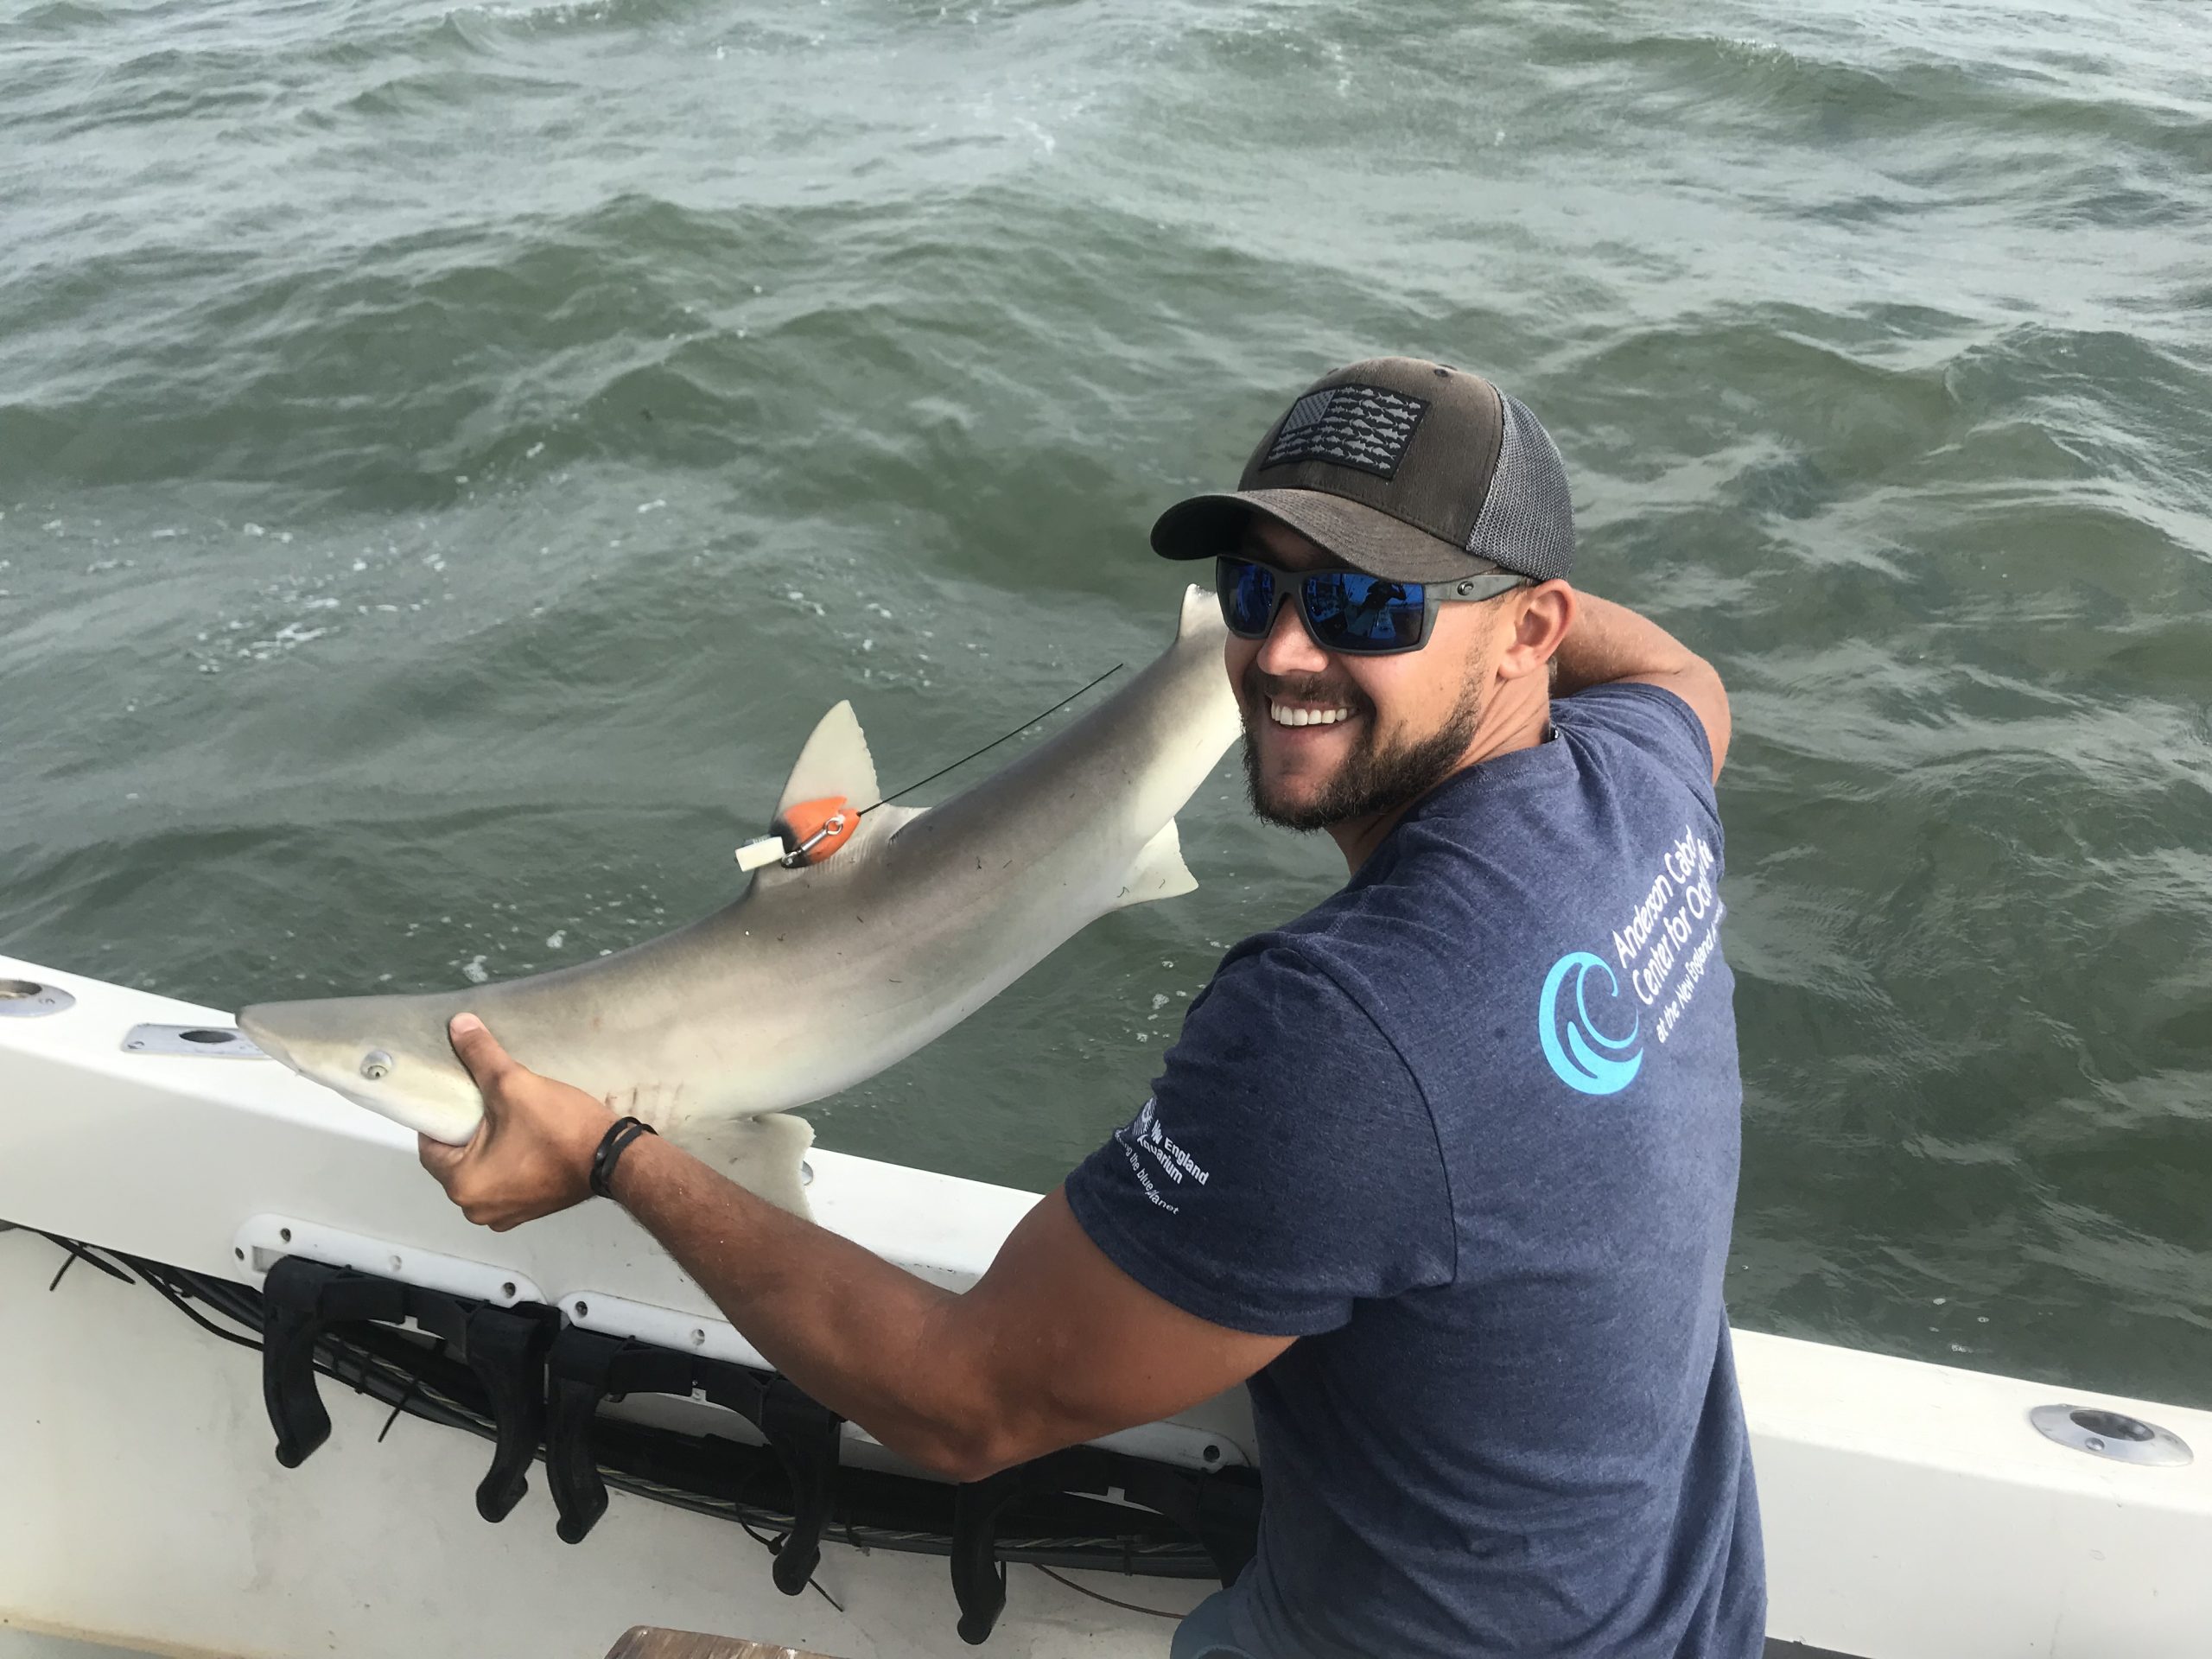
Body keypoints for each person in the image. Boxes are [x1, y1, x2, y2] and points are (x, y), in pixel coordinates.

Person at [419, 356, 1765, 1657]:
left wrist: (610, 1154)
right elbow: (1686, 679)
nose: (1285, 654)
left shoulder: (1349, 1022)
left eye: (1365, 604)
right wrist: (1449, 614)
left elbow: (965, 1403)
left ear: (1537, 630)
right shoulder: (1641, 787)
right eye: (1258, 588)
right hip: (1681, 1612)